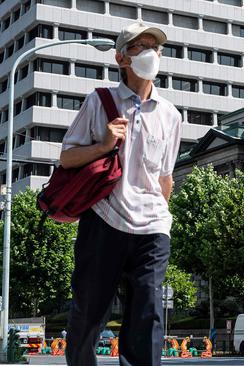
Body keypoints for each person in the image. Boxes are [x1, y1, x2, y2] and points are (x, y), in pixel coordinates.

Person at [60, 22, 182, 366]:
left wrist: (160, 215)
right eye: (139, 46)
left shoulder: (171, 115)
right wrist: (103, 145)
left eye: (154, 47)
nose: (149, 53)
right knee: (89, 313)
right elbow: (67, 156)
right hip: (104, 220)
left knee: (148, 315)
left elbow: (165, 178)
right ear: (121, 58)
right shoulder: (100, 101)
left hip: (152, 229)